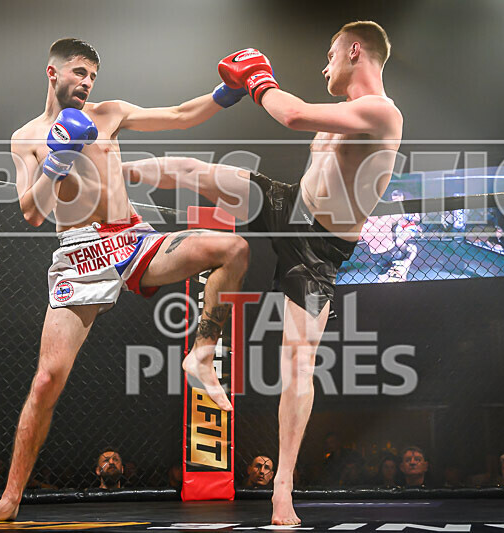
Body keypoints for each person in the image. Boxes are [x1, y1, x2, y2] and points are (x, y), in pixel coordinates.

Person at [123, 21, 401, 524]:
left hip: (320, 251)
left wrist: (257, 80)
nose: (324, 65)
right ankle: (104, 173)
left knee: (297, 364)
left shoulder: (382, 112)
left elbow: (290, 114)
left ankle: (282, 491)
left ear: (355, 51)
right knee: (194, 171)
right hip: (290, 204)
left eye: (331, 53)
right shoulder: (339, 113)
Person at [0, 38, 250, 525]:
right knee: (46, 381)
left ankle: (202, 354)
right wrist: (55, 160)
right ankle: (10, 498)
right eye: (79, 72)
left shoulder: (109, 113)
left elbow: (181, 115)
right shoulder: (25, 137)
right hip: (78, 253)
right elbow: (32, 213)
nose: (88, 82)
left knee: (233, 249)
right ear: (52, 74)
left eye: (93, 75)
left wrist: (229, 91)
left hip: (133, 240)